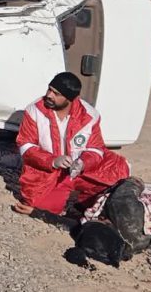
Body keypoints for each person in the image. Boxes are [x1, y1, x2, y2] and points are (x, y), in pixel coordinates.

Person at [14, 72, 131, 216]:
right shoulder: (34, 110)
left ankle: (81, 202)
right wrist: (53, 161)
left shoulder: (89, 115)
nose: (49, 95)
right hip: (47, 170)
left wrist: (83, 163)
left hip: (78, 170)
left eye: (56, 93)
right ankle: (63, 197)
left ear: (70, 99)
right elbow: (25, 145)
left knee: (116, 176)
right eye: (49, 89)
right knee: (39, 206)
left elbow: (95, 149)